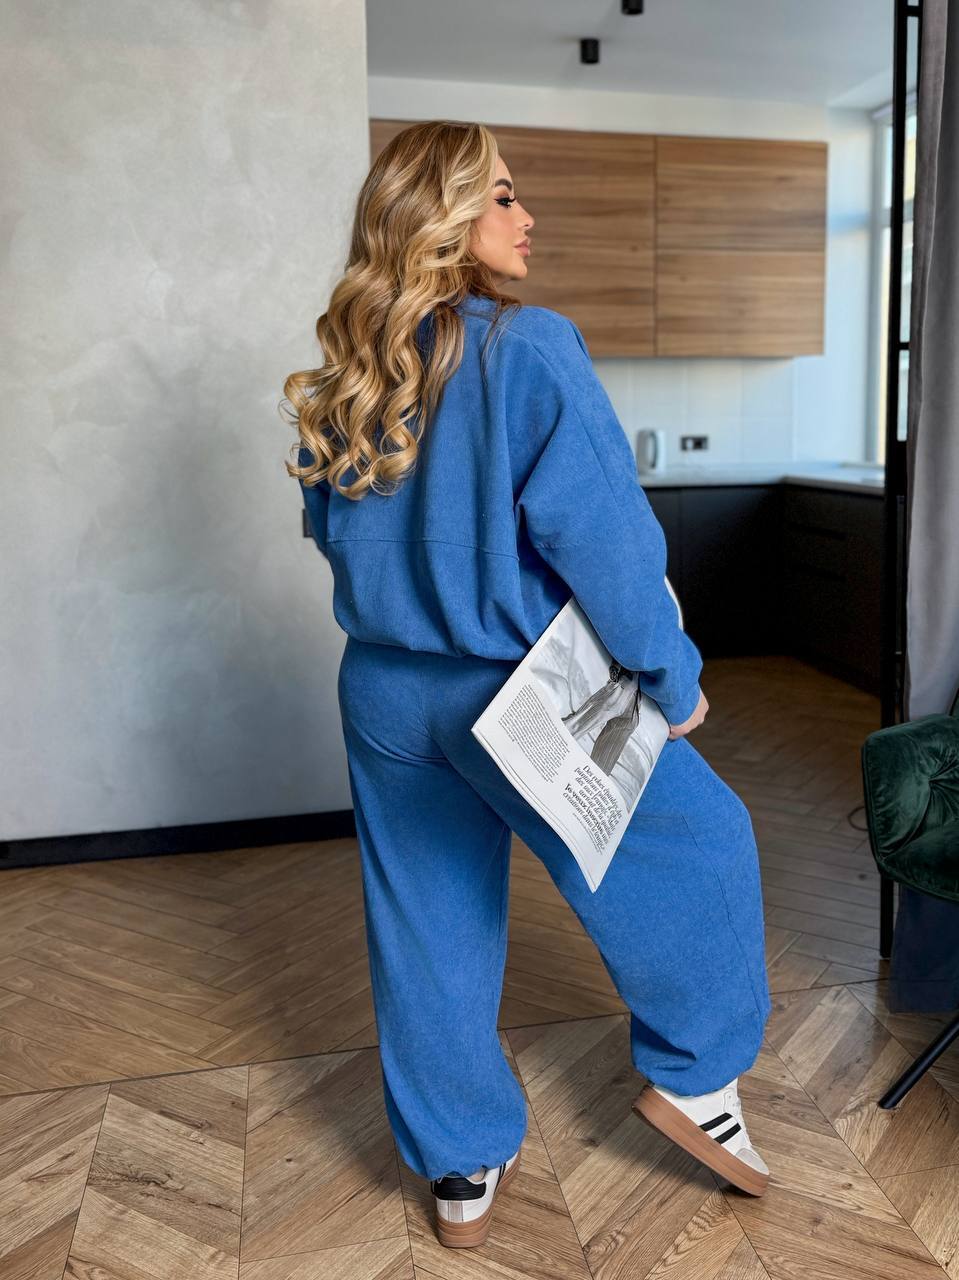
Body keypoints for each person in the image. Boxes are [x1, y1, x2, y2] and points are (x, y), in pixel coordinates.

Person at [281, 120, 773, 1249]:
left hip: (383, 689)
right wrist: (673, 677)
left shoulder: (348, 375)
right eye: (501, 194)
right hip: (514, 691)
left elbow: (335, 532)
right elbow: (609, 544)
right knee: (707, 843)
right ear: (446, 215)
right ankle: (696, 1075)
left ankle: (457, 1160)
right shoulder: (528, 348)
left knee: (427, 914)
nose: (525, 215)